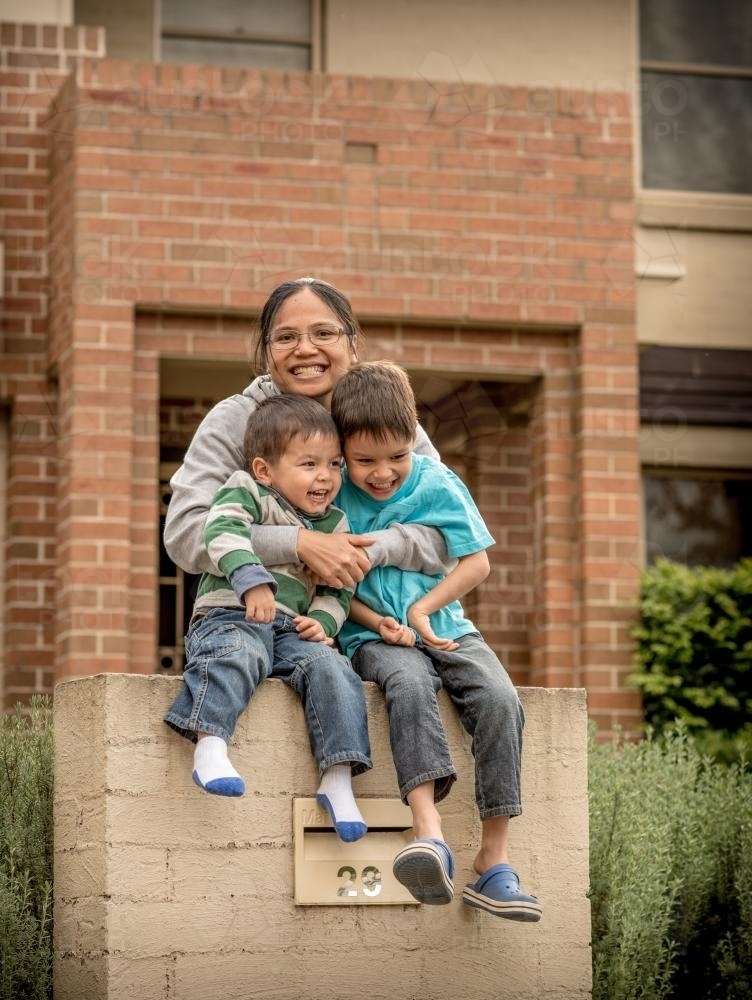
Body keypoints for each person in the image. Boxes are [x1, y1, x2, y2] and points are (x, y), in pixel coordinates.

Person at [162, 277, 449, 839]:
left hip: (363, 630)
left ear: (353, 344)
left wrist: (360, 550)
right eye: (286, 336)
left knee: (436, 683)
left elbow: (446, 536)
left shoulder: (391, 420)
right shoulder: (234, 422)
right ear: (266, 351)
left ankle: (439, 839)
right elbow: (186, 533)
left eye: (324, 332)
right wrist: (298, 544)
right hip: (256, 616)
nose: (305, 348)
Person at [330, 360, 543, 921]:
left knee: (501, 699)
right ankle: (429, 833)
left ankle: (492, 861)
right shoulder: (331, 499)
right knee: (407, 681)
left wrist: (426, 607)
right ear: (342, 452)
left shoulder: (437, 480)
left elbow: (477, 563)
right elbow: (324, 585)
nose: (383, 474)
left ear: (413, 437)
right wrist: (380, 623)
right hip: (372, 632)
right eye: (365, 461)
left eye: (397, 456)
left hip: (448, 626)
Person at [164, 393, 371, 843]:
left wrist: (323, 620)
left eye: (334, 464)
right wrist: (250, 579)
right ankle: (210, 745)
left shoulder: (335, 523)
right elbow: (220, 531)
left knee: (333, 668)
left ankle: (337, 777)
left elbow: (341, 585)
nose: (326, 476)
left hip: (290, 628)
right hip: (231, 613)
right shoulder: (247, 490)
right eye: (309, 464)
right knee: (239, 652)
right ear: (265, 469)